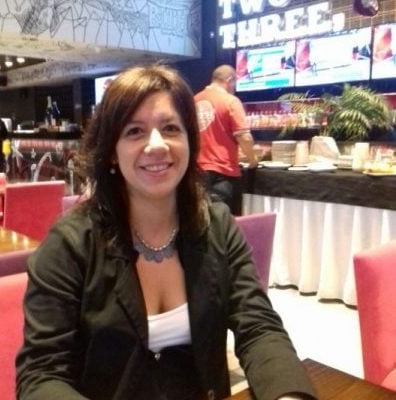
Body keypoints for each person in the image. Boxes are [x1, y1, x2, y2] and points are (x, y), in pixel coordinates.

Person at [16, 64, 317, 400]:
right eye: (135, 131)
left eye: (171, 128)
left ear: (190, 141)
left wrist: (288, 395)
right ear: (112, 151)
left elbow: (258, 325)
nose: (157, 145)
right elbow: (41, 374)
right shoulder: (70, 244)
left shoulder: (216, 225)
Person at [195, 64, 258, 216]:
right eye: (235, 83)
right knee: (227, 221)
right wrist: (252, 159)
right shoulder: (230, 101)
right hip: (223, 173)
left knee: (201, 218)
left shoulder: (193, 101)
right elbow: (244, 137)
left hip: (196, 172)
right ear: (229, 80)